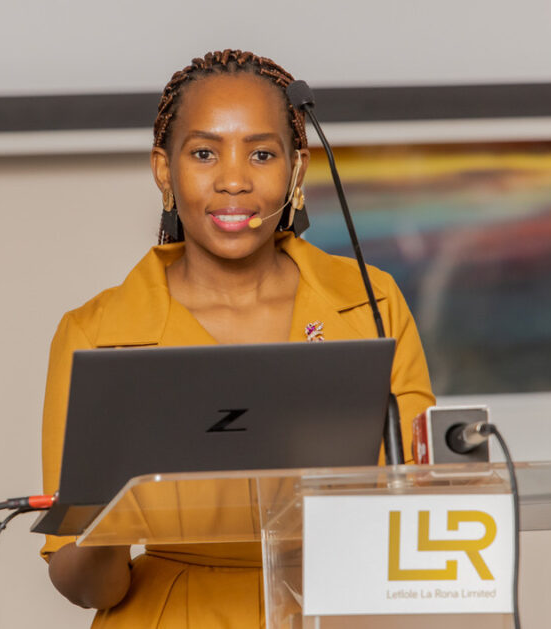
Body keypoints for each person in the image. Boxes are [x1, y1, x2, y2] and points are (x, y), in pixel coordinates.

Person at [40, 49, 435, 628]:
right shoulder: (97, 334)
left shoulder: (371, 304)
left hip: (330, 612)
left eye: (262, 153)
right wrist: (112, 512)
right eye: (204, 153)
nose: (233, 180)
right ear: (163, 170)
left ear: (297, 171)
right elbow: (83, 586)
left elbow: (422, 500)